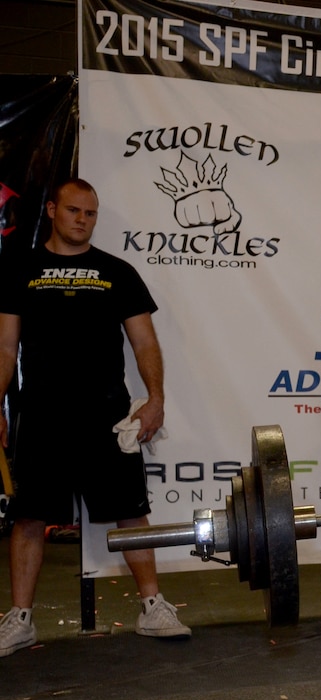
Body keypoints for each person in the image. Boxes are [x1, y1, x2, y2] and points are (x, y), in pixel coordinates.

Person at [0, 178, 190, 657]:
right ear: (51, 210)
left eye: (90, 213)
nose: (82, 220)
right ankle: (20, 619)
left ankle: (153, 606)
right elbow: (5, 348)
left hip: (106, 413)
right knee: (28, 518)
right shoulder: (20, 269)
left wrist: (156, 399)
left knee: (131, 512)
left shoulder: (116, 272)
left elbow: (144, 343)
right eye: (73, 210)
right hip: (40, 415)